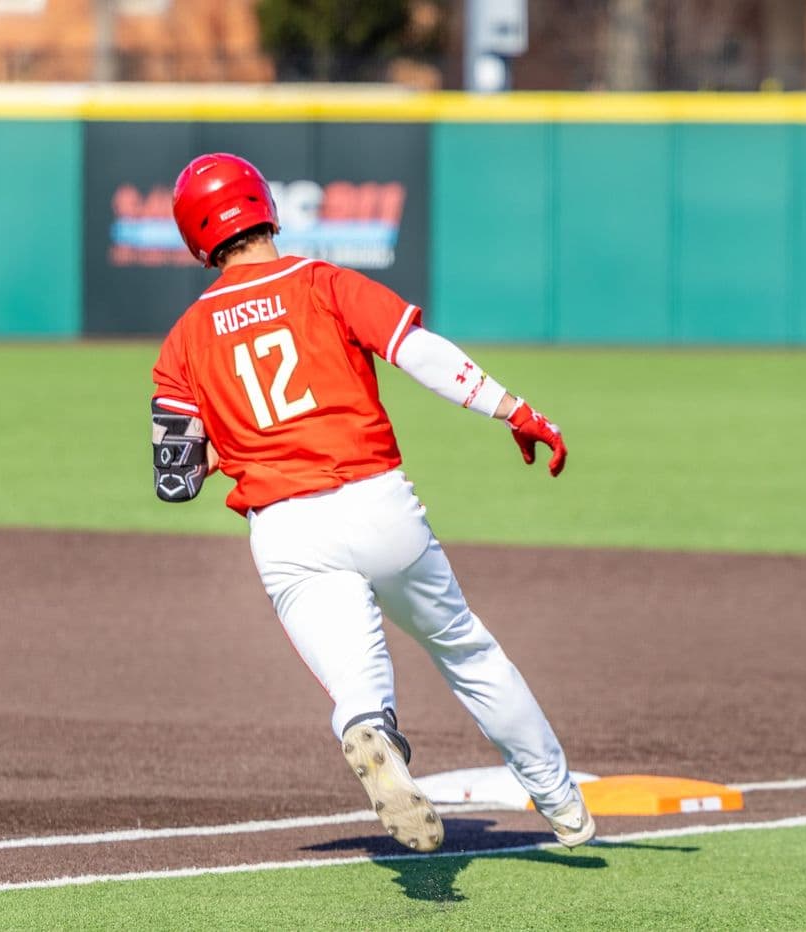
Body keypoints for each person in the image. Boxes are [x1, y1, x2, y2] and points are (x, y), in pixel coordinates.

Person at [150, 153, 595, 852]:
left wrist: (240, 441)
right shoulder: (323, 283)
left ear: (194, 235)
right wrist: (514, 410)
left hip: (287, 534)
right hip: (376, 504)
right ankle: (562, 802)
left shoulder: (182, 342)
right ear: (264, 206)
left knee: (358, 685)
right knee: (466, 651)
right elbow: (418, 353)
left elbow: (173, 476)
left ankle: (369, 728)